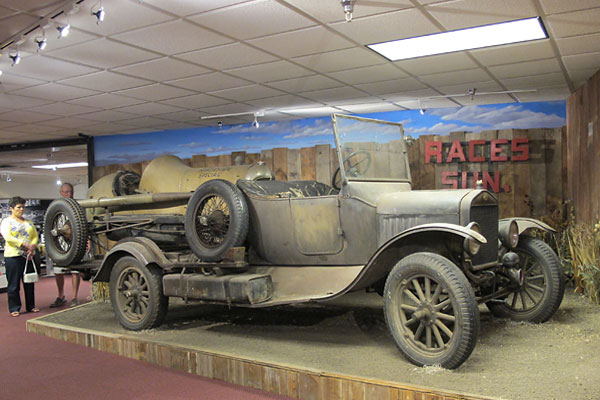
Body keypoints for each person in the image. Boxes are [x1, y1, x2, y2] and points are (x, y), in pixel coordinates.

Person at [1, 196, 40, 317]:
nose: (21, 210)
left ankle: (31, 306)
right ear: (12, 208)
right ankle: (14, 307)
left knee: (29, 281)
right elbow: (8, 237)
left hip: (27, 256)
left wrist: (32, 245)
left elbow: (34, 235)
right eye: (18, 207)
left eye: (23, 207)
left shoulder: (28, 222)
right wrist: (22, 244)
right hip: (13, 256)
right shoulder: (6, 222)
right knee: (13, 284)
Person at [49, 182, 81, 308]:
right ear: (61, 193)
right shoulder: (56, 207)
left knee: (75, 270)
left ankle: (74, 297)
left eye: (70, 192)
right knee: (58, 271)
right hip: (60, 244)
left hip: (76, 242)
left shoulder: (78, 206)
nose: (69, 194)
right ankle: (60, 295)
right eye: (66, 192)